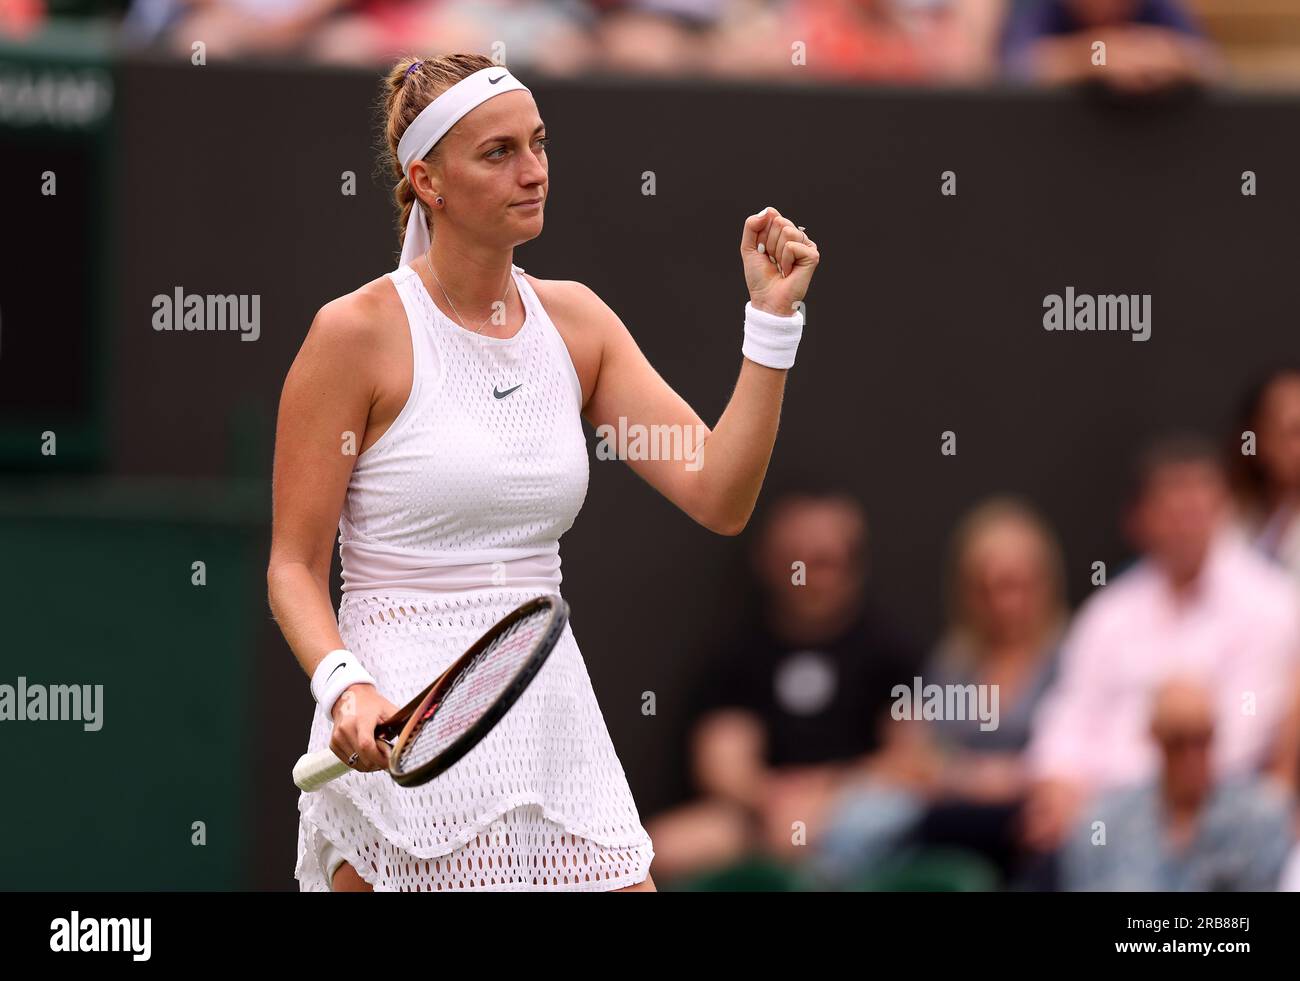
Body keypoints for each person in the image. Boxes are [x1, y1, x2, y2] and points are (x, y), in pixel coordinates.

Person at [266, 52, 820, 891]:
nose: (534, 172)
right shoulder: (353, 335)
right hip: (397, 718)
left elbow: (718, 491)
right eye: (498, 153)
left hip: (550, 716)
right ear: (428, 179)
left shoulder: (578, 324)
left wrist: (770, 325)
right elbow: (294, 565)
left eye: (539, 143)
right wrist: (346, 687)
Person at [1021, 435, 1300, 873]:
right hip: (1096, 815)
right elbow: (1068, 715)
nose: (1186, 523)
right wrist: (1057, 784)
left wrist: (1107, 793)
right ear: (1138, 520)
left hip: (1221, 806)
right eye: (1172, 509)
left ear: (1223, 510)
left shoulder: (1271, 604)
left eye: (1199, 506)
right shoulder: (1108, 612)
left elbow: (1237, 740)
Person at [646, 489, 920, 884]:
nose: (809, 575)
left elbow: (912, 759)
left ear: (854, 563)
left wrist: (827, 796)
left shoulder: (889, 650)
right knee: (666, 847)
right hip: (755, 819)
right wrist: (772, 801)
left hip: (860, 812)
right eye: (796, 558)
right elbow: (722, 763)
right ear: (767, 561)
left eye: (825, 561)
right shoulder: (738, 654)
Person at [1061, 678, 1295, 891]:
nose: (1191, 757)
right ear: (1154, 737)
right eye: (1177, 741)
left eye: (1201, 739)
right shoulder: (1104, 822)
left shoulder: (1259, 818)